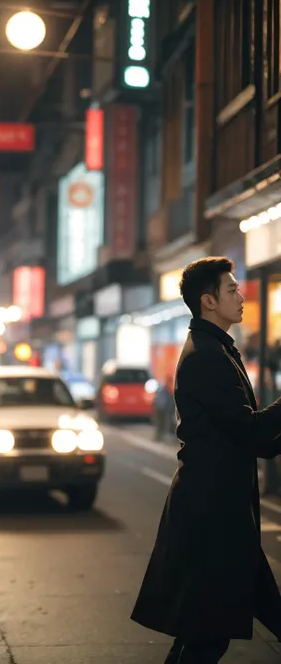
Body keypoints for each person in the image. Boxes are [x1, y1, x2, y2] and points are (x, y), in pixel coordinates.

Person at [131, 257, 281, 663]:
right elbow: (250, 431)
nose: (241, 295)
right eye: (231, 289)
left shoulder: (216, 348)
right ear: (208, 301)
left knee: (201, 634)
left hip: (222, 514)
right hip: (213, 517)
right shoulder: (208, 356)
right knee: (205, 636)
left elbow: (256, 441)